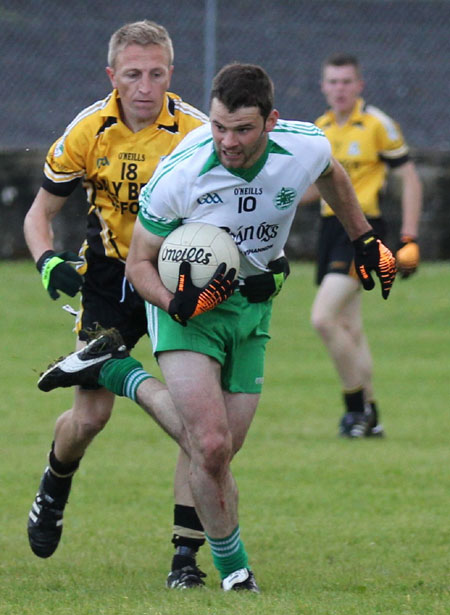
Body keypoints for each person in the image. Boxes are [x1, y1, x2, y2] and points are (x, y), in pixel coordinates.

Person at [35, 62, 397, 592]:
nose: (227, 140)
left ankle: (116, 371)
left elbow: (333, 175)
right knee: (208, 444)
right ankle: (235, 574)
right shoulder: (181, 172)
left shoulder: (305, 146)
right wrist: (176, 304)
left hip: (254, 312)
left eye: (243, 130)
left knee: (223, 449)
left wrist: (363, 238)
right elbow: (139, 264)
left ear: (271, 122)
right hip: (186, 309)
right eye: (220, 127)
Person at [24, 19, 210, 586]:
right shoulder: (89, 130)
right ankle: (54, 485)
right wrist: (47, 261)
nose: (146, 86)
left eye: (156, 74)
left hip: (180, 274)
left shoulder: (197, 133)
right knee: (90, 416)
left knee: (198, 418)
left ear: (171, 74)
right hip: (110, 278)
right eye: (133, 74)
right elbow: (39, 216)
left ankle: (186, 560)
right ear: (113, 76)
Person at [302, 53, 422, 438]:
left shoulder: (377, 125)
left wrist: (409, 237)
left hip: (364, 232)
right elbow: (311, 189)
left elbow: (411, 179)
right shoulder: (318, 129)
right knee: (350, 327)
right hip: (328, 232)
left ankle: (355, 411)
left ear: (359, 86)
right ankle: (372, 417)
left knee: (323, 318)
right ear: (323, 86)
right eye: (332, 82)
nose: (339, 89)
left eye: (346, 82)